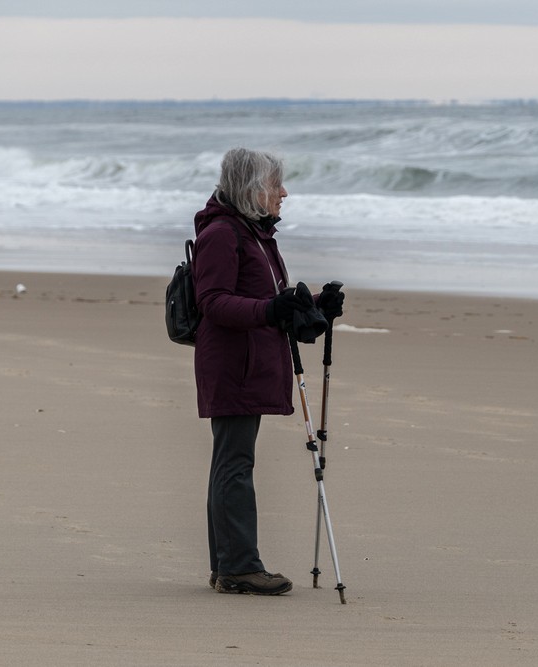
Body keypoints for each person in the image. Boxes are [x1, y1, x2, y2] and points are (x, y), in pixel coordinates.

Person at [192, 148, 345, 595]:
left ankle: (229, 565)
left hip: (250, 361)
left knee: (231, 460)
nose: (283, 192)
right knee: (234, 461)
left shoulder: (253, 233)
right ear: (251, 189)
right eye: (275, 184)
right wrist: (272, 308)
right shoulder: (222, 233)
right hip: (232, 365)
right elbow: (213, 302)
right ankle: (238, 567)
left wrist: (316, 306)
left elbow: (270, 302)